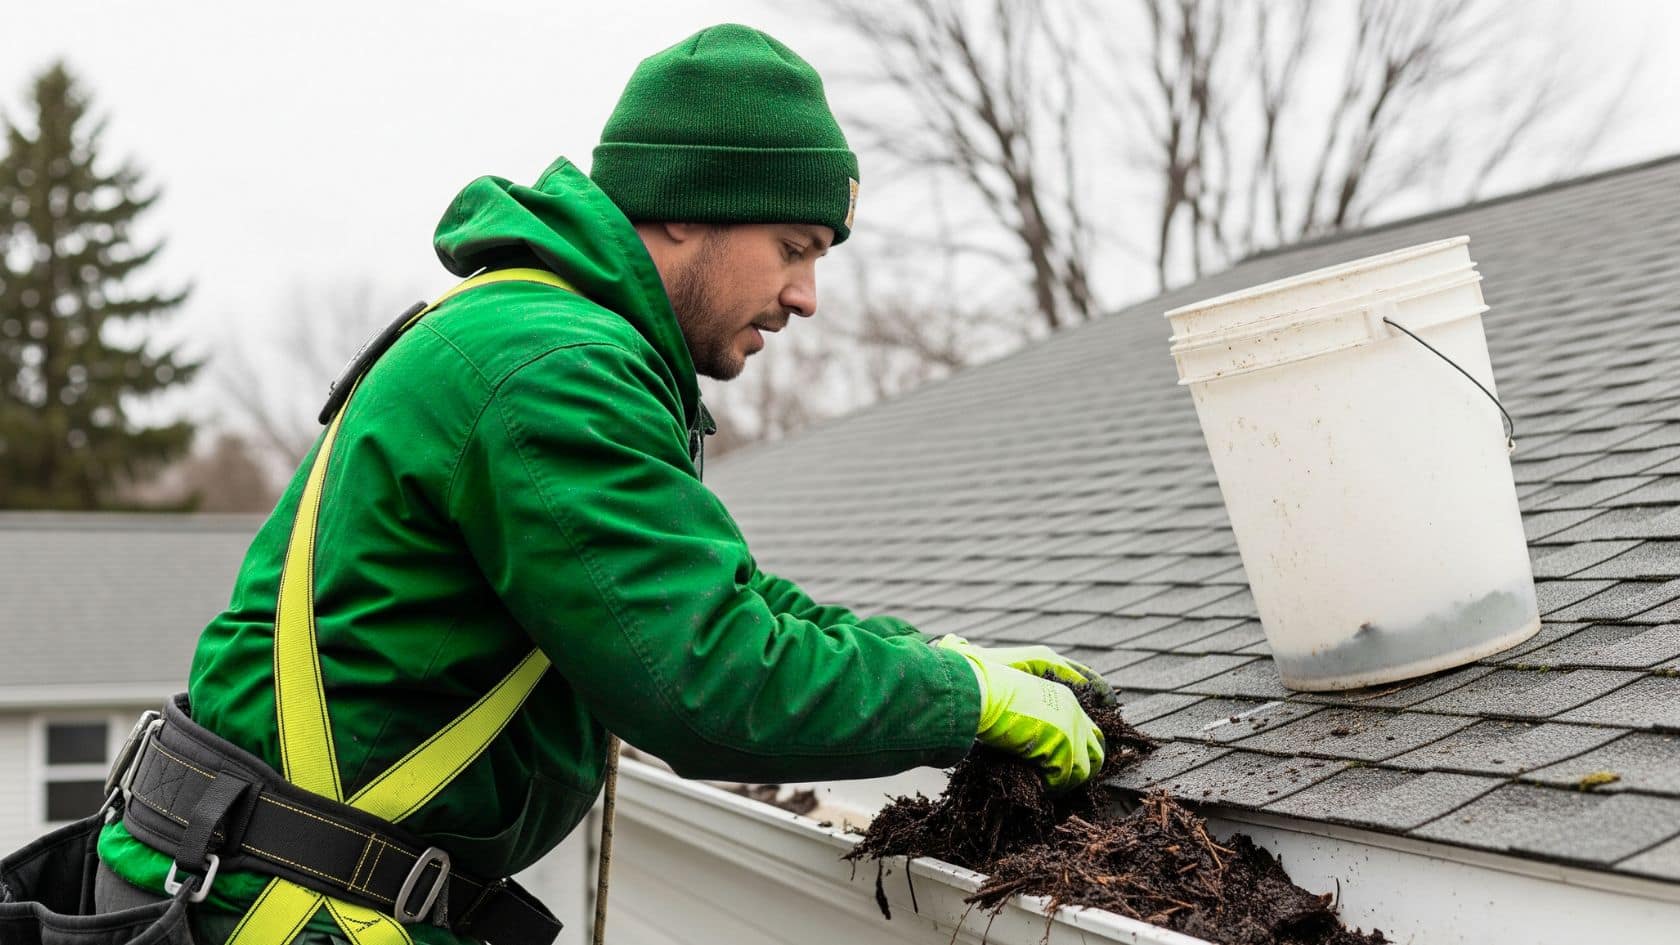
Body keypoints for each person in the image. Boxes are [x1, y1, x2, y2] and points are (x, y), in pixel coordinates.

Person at [91, 23, 1108, 945]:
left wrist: (930, 657)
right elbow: (706, 680)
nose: (807, 296)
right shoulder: (552, 369)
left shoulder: (537, 336)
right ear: (684, 210)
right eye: (794, 249)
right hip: (275, 909)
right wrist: (961, 700)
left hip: (248, 872)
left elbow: (724, 607)